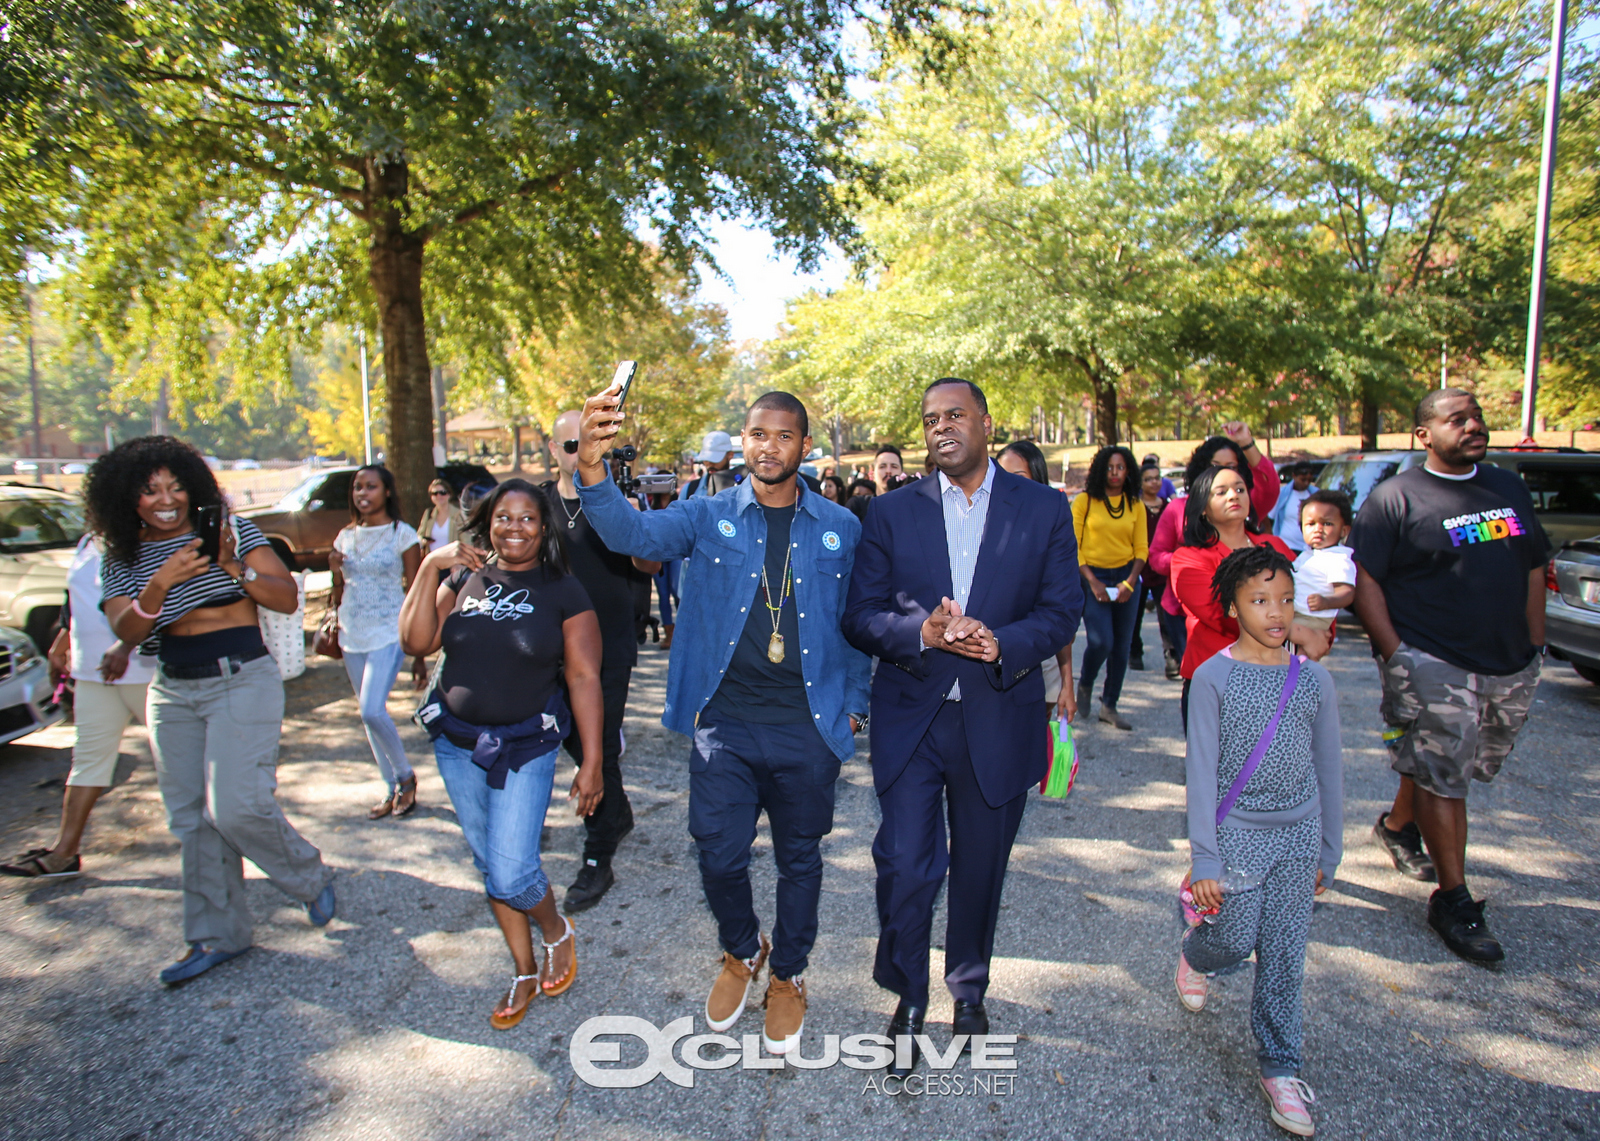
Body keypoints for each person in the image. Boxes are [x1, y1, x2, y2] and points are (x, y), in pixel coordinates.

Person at [574, 386, 871, 1056]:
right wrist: (591, 470)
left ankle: (789, 972)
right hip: (726, 721)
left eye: (784, 435)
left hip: (808, 725)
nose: (769, 446)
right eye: (757, 434)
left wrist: (855, 706)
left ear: (804, 445)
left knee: (801, 859)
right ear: (743, 441)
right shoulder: (705, 515)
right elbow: (631, 534)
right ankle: (743, 949)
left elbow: (855, 626)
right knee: (716, 850)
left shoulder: (839, 528)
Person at [842, 378, 1081, 1074]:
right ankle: (907, 993)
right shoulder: (889, 513)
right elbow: (859, 616)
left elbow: (1062, 608)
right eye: (929, 419)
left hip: (999, 712)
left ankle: (967, 988)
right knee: (906, 862)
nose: (940, 427)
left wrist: (1001, 640)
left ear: (985, 421)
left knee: (981, 867)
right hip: (912, 716)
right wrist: (926, 630)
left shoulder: (1042, 510)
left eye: (954, 415)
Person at [91, 436, 333, 986]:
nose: (166, 498)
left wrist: (231, 567)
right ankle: (218, 935)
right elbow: (125, 629)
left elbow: (285, 598)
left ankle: (308, 874)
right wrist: (160, 582)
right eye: (149, 490)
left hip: (240, 679)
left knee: (236, 808)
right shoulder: (122, 556)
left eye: (176, 485)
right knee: (191, 819)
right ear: (127, 499)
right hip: (173, 691)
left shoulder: (232, 530)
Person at [1351, 389, 1548, 966]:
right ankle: (1453, 900)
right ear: (1424, 435)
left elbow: (1534, 561)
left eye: (1476, 416)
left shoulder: (1508, 487)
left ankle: (1396, 827)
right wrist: (1397, 655)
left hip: (1510, 660)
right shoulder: (1395, 499)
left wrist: (1536, 644)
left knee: (1452, 761)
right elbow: (1366, 582)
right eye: (1455, 419)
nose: (1472, 425)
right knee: (1445, 777)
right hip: (1434, 659)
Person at [398, 479, 604, 1028]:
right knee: (491, 865)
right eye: (503, 518)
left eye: (527, 519)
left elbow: (584, 677)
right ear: (487, 523)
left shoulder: (564, 590)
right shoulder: (465, 577)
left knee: (512, 875)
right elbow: (417, 643)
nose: (514, 528)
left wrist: (592, 762)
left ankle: (555, 928)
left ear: (544, 527)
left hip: (527, 746)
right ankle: (523, 968)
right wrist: (428, 570)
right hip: (456, 744)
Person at [1177, 545, 1343, 1140]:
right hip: (1237, 833)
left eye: (1285, 600)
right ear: (1232, 606)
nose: (1276, 613)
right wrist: (1205, 857)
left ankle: (1280, 1069)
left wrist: (1330, 847)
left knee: (1283, 954)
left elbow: (1329, 766)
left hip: (1299, 836)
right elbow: (1200, 772)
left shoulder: (1314, 679)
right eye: (1259, 601)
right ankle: (1194, 951)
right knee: (1236, 938)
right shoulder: (1212, 678)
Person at [545, 409, 662, 912]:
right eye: (570, 446)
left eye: (589, 444)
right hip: (551, 646)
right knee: (573, 738)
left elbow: (651, 563)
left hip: (609, 643)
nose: (581, 453)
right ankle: (618, 811)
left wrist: (638, 523)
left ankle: (598, 857)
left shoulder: (616, 503)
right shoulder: (537, 503)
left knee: (598, 747)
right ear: (553, 451)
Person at [1, 533, 155, 879]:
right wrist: (63, 636)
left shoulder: (142, 537)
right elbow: (78, 597)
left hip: (142, 670)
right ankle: (63, 853)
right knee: (88, 761)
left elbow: (151, 603)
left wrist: (123, 648)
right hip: (92, 672)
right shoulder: (89, 539)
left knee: (182, 764)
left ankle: (225, 846)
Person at [1170, 467, 1331, 731]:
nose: (1234, 495)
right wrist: (1299, 633)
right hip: (1220, 683)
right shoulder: (1189, 558)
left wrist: (1322, 633)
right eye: (1221, 492)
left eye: (1240, 489)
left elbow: (1310, 594)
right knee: (1215, 769)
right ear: (1202, 508)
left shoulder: (1274, 545)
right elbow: (1223, 614)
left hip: (1282, 678)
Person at [1148, 426, 1282, 684]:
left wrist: (1247, 443)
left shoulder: (1247, 510)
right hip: (1187, 612)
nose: (1226, 475)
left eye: (1233, 466)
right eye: (1216, 466)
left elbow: (1268, 484)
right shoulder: (1179, 510)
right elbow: (1157, 556)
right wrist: (1186, 563)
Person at [327, 465, 423, 819]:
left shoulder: (403, 535)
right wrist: (334, 567)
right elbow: (339, 590)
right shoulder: (344, 536)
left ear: (386, 492)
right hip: (352, 631)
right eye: (357, 487)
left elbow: (415, 591)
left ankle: (405, 776)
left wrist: (418, 650)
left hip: (388, 630)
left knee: (372, 708)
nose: (362, 493)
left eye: (370, 487)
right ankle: (390, 788)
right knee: (368, 717)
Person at [998, 440, 1077, 725]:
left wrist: (1067, 684)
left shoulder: (1050, 530)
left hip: (1039, 663)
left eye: (1017, 476)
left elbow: (1063, 616)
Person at [1071, 445, 1146, 730]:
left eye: (1121, 467)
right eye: (1110, 467)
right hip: (1093, 575)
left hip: (1127, 576)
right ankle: (1087, 682)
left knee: (1122, 647)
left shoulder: (1134, 504)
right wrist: (1093, 581)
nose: (1115, 473)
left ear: (1128, 471)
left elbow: (1141, 548)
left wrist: (1128, 582)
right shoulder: (1085, 501)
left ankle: (1109, 705)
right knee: (1102, 641)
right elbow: (1074, 547)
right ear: (1100, 469)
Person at [1291, 491, 1355, 644]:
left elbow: (1347, 592)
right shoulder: (1306, 555)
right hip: (1296, 613)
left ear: (1344, 530)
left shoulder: (1338, 558)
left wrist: (1327, 601)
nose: (1318, 529)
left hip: (1313, 618)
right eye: (1311, 524)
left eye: (1327, 523)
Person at [1133, 462, 1177, 678]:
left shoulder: (1168, 506)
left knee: (1166, 615)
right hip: (1137, 568)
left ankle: (1172, 656)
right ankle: (1134, 652)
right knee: (1135, 616)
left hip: (1161, 570)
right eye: (1148, 478)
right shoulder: (1134, 506)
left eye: (1157, 478)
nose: (1154, 482)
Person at [1269, 463, 1319, 553]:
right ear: (1294, 476)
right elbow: (1270, 518)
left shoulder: (1316, 495)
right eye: (1303, 480)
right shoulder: (1282, 494)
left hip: (1308, 549)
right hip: (1286, 546)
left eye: (1309, 480)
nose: (1306, 483)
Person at [679, 431, 739, 499]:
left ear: (730, 455)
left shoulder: (740, 488)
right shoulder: (689, 489)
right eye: (706, 459)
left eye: (715, 459)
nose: (709, 463)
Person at [417, 478, 465, 553]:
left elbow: (466, 541)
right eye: (435, 493)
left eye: (442, 492)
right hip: (432, 560)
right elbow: (419, 536)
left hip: (452, 561)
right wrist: (424, 541)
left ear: (449, 494)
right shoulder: (428, 514)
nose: (439, 496)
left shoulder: (458, 515)